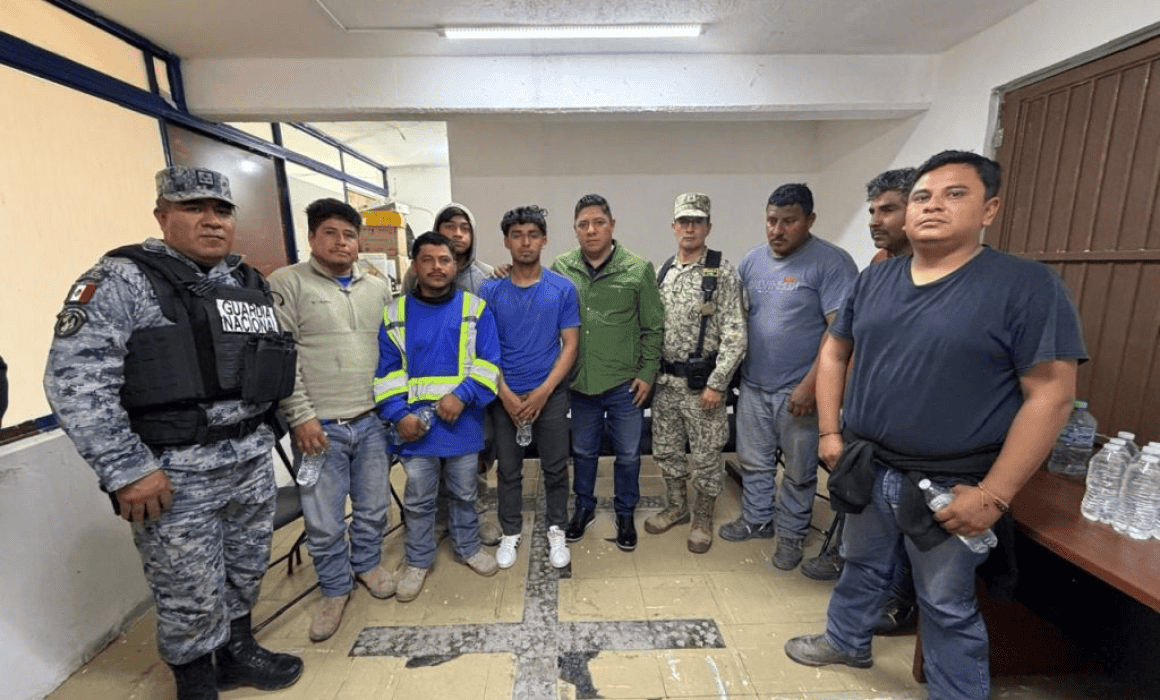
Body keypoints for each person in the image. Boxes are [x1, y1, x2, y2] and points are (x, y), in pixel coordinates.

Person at [784, 151, 1085, 700]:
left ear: (989, 209)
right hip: (868, 463)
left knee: (945, 601)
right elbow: (834, 352)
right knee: (860, 565)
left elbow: (1051, 397)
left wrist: (994, 494)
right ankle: (846, 640)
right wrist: (830, 432)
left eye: (955, 194)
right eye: (922, 196)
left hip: (952, 481)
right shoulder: (877, 279)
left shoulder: (1026, 286)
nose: (932, 206)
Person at [44, 166, 303, 700]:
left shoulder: (246, 282)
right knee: (187, 588)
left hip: (249, 459)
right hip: (174, 470)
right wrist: (128, 470)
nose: (212, 221)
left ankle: (237, 654)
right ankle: (196, 682)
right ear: (162, 216)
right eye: (194, 208)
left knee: (245, 567)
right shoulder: (122, 280)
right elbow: (75, 382)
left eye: (222, 210)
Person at [268, 198, 395, 642]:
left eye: (349, 235)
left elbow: (392, 350)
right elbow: (282, 359)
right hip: (318, 427)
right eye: (331, 233)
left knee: (373, 507)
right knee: (323, 519)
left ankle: (367, 565)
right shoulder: (286, 283)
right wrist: (301, 416)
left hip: (372, 420)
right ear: (312, 238)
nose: (341, 242)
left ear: (359, 240)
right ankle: (335, 588)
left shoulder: (377, 287)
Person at [722, 183, 857, 571]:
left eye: (788, 221)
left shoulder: (831, 263)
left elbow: (840, 334)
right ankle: (757, 519)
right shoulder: (752, 261)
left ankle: (791, 536)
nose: (777, 230)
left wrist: (811, 386)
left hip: (799, 391)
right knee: (754, 462)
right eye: (771, 221)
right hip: (753, 385)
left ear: (809, 220)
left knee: (799, 472)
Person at [801, 166, 915, 586]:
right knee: (859, 507)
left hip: (921, 437)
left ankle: (899, 595)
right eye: (872, 211)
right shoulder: (877, 269)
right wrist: (831, 427)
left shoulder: (968, 281)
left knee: (911, 534)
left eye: (888, 210)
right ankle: (849, 565)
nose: (875, 221)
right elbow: (839, 348)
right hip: (865, 421)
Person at [374, 231, 501, 601]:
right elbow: (387, 374)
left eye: (444, 260)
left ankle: (468, 547)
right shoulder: (395, 314)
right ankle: (418, 560)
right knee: (418, 499)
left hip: (462, 424)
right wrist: (398, 415)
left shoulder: (475, 309)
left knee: (464, 493)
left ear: (455, 265)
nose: (436, 267)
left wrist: (462, 396)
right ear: (415, 266)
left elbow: (489, 364)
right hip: (414, 429)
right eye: (427, 260)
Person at [551, 194, 664, 551]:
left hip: (625, 384)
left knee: (628, 454)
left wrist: (648, 372)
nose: (591, 230)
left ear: (612, 225)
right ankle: (583, 507)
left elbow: (653, 327)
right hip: (581, 382)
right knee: (583, 452)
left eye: (598, 222)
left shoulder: (638, 268)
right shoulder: (561, 267)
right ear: (575, 229)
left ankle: (625, 512)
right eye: (583, 224)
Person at [478, 205, 580, 570]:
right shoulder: (490, 290)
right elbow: (483, 349)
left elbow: (570, 344)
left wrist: (544, 392)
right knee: (508, 470)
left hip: (550, 395)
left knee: (555, 467)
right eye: (517, 235)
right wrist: (504, 394)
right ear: (506, 241)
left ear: (544, 240)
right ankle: (510, 530)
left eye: (533, 235)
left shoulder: (562, 288)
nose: (525, 242)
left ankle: (557, 527)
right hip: (504, 395)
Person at [644, 193, 746, 553]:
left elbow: (736, 334)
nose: (690, 228)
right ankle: (677, 507)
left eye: (697, 222)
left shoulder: (722, 272)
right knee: (667, 450)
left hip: (703, 386)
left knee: (706, 456)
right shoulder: (664, 272)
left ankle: (703, 518)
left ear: (708, 227)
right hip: (666, 384)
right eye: (684, 222)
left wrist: (718, 384)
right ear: (673, 227)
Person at [403, 202, 502, 545]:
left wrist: (469, 391)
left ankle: (476, 514)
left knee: (476, 457)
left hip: (473, 391)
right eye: (449, 227)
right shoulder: (414, 277)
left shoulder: (487, 277)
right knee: (428, 459)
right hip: (426, 387)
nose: (457, 234)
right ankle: (438, 516)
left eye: (465, 227)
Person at [868, 168, 916, 262]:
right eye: (872, 212)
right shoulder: (880, 260)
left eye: (887, 210)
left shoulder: (943, 259)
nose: (873, 223)